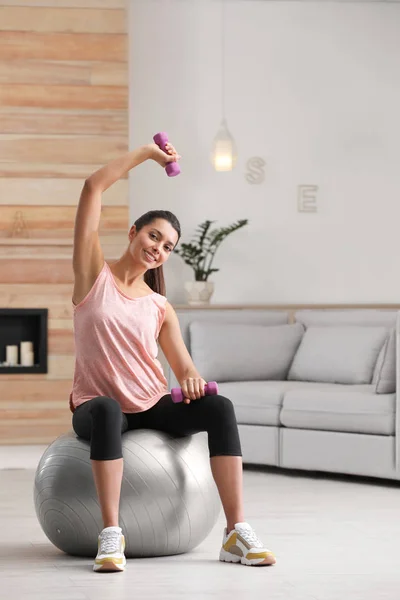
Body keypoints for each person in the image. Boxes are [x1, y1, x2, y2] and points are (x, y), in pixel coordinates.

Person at [69, 141, 276, 572]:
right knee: (107, 409)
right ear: (133, 233)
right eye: (153, 236)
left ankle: (235, 531)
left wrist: (194, 379)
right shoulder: (94, 276)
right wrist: (147, 154)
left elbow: (182, 366)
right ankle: (111, 533)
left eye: (168, 247)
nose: (159, 248)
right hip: (97, 407)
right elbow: (92, 188)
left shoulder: (160, 306)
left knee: (220, 408)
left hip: (151, 405)